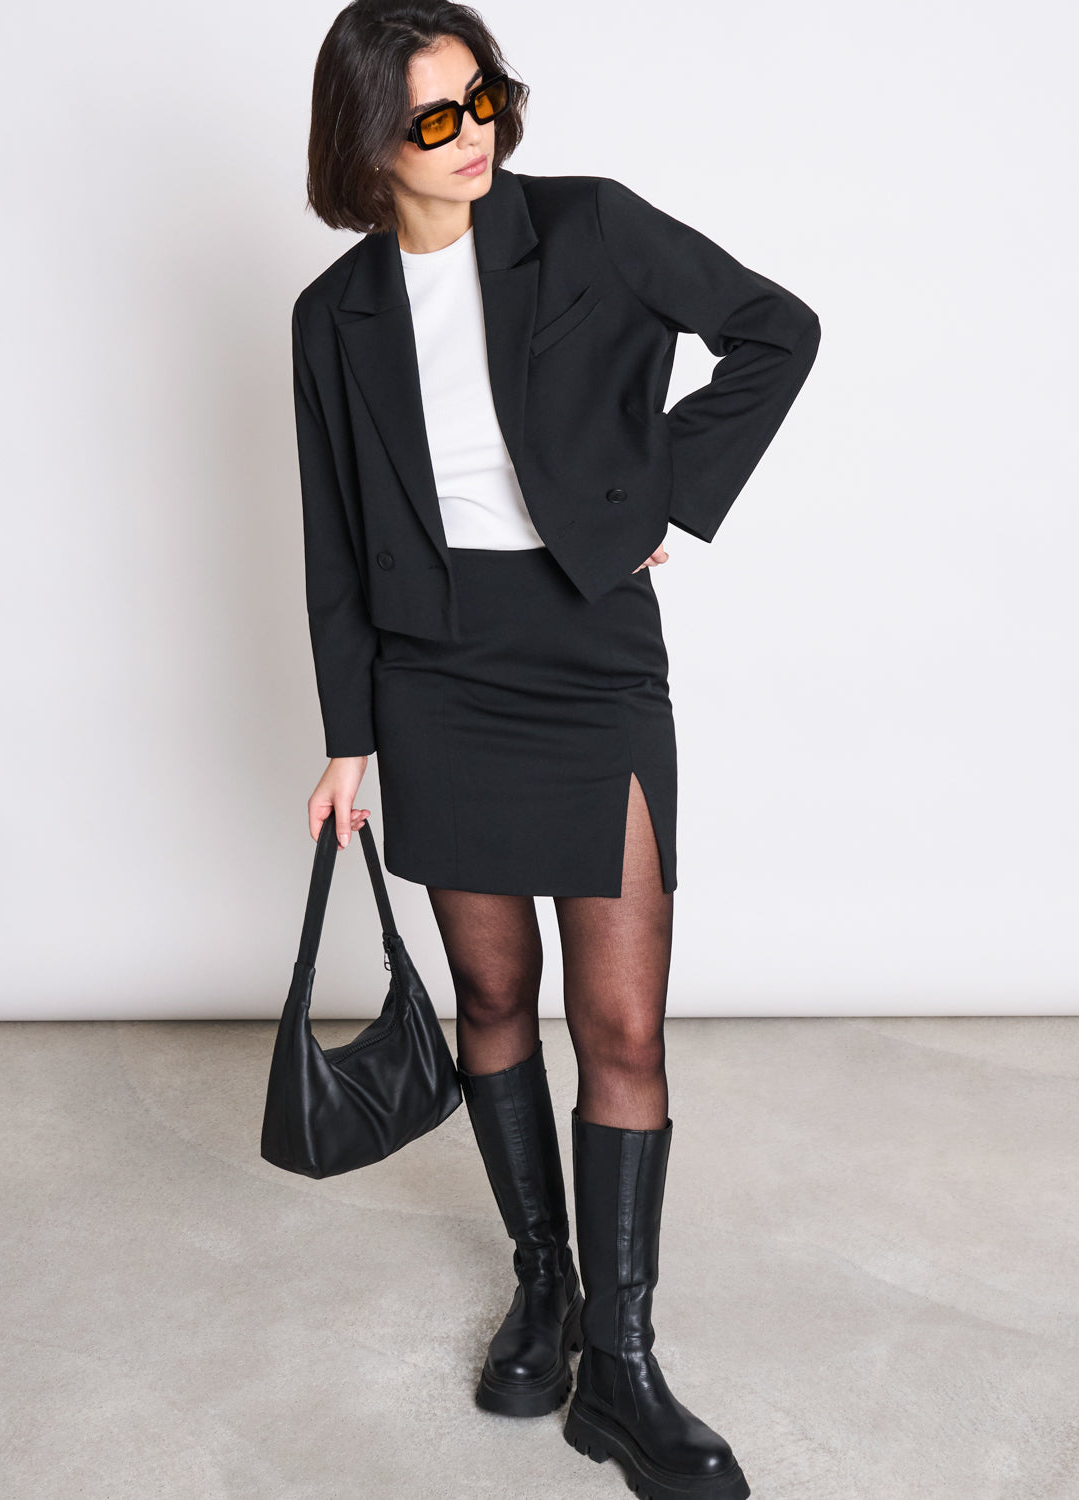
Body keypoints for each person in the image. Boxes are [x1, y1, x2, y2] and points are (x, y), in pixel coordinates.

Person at [292, 4, 819, 1496]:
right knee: (495, 992)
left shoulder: (588, 230)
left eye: (486, 101)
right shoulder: (329, 317)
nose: (475, 139)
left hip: (589, 653)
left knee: (626, 1021)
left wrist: (658, 499)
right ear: (365, 147)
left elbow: (779, 329)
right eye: (433, 120)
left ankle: (625, 1368)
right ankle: (548, 1285)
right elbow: (332, 535)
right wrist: (348, 735)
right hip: (435, 675)